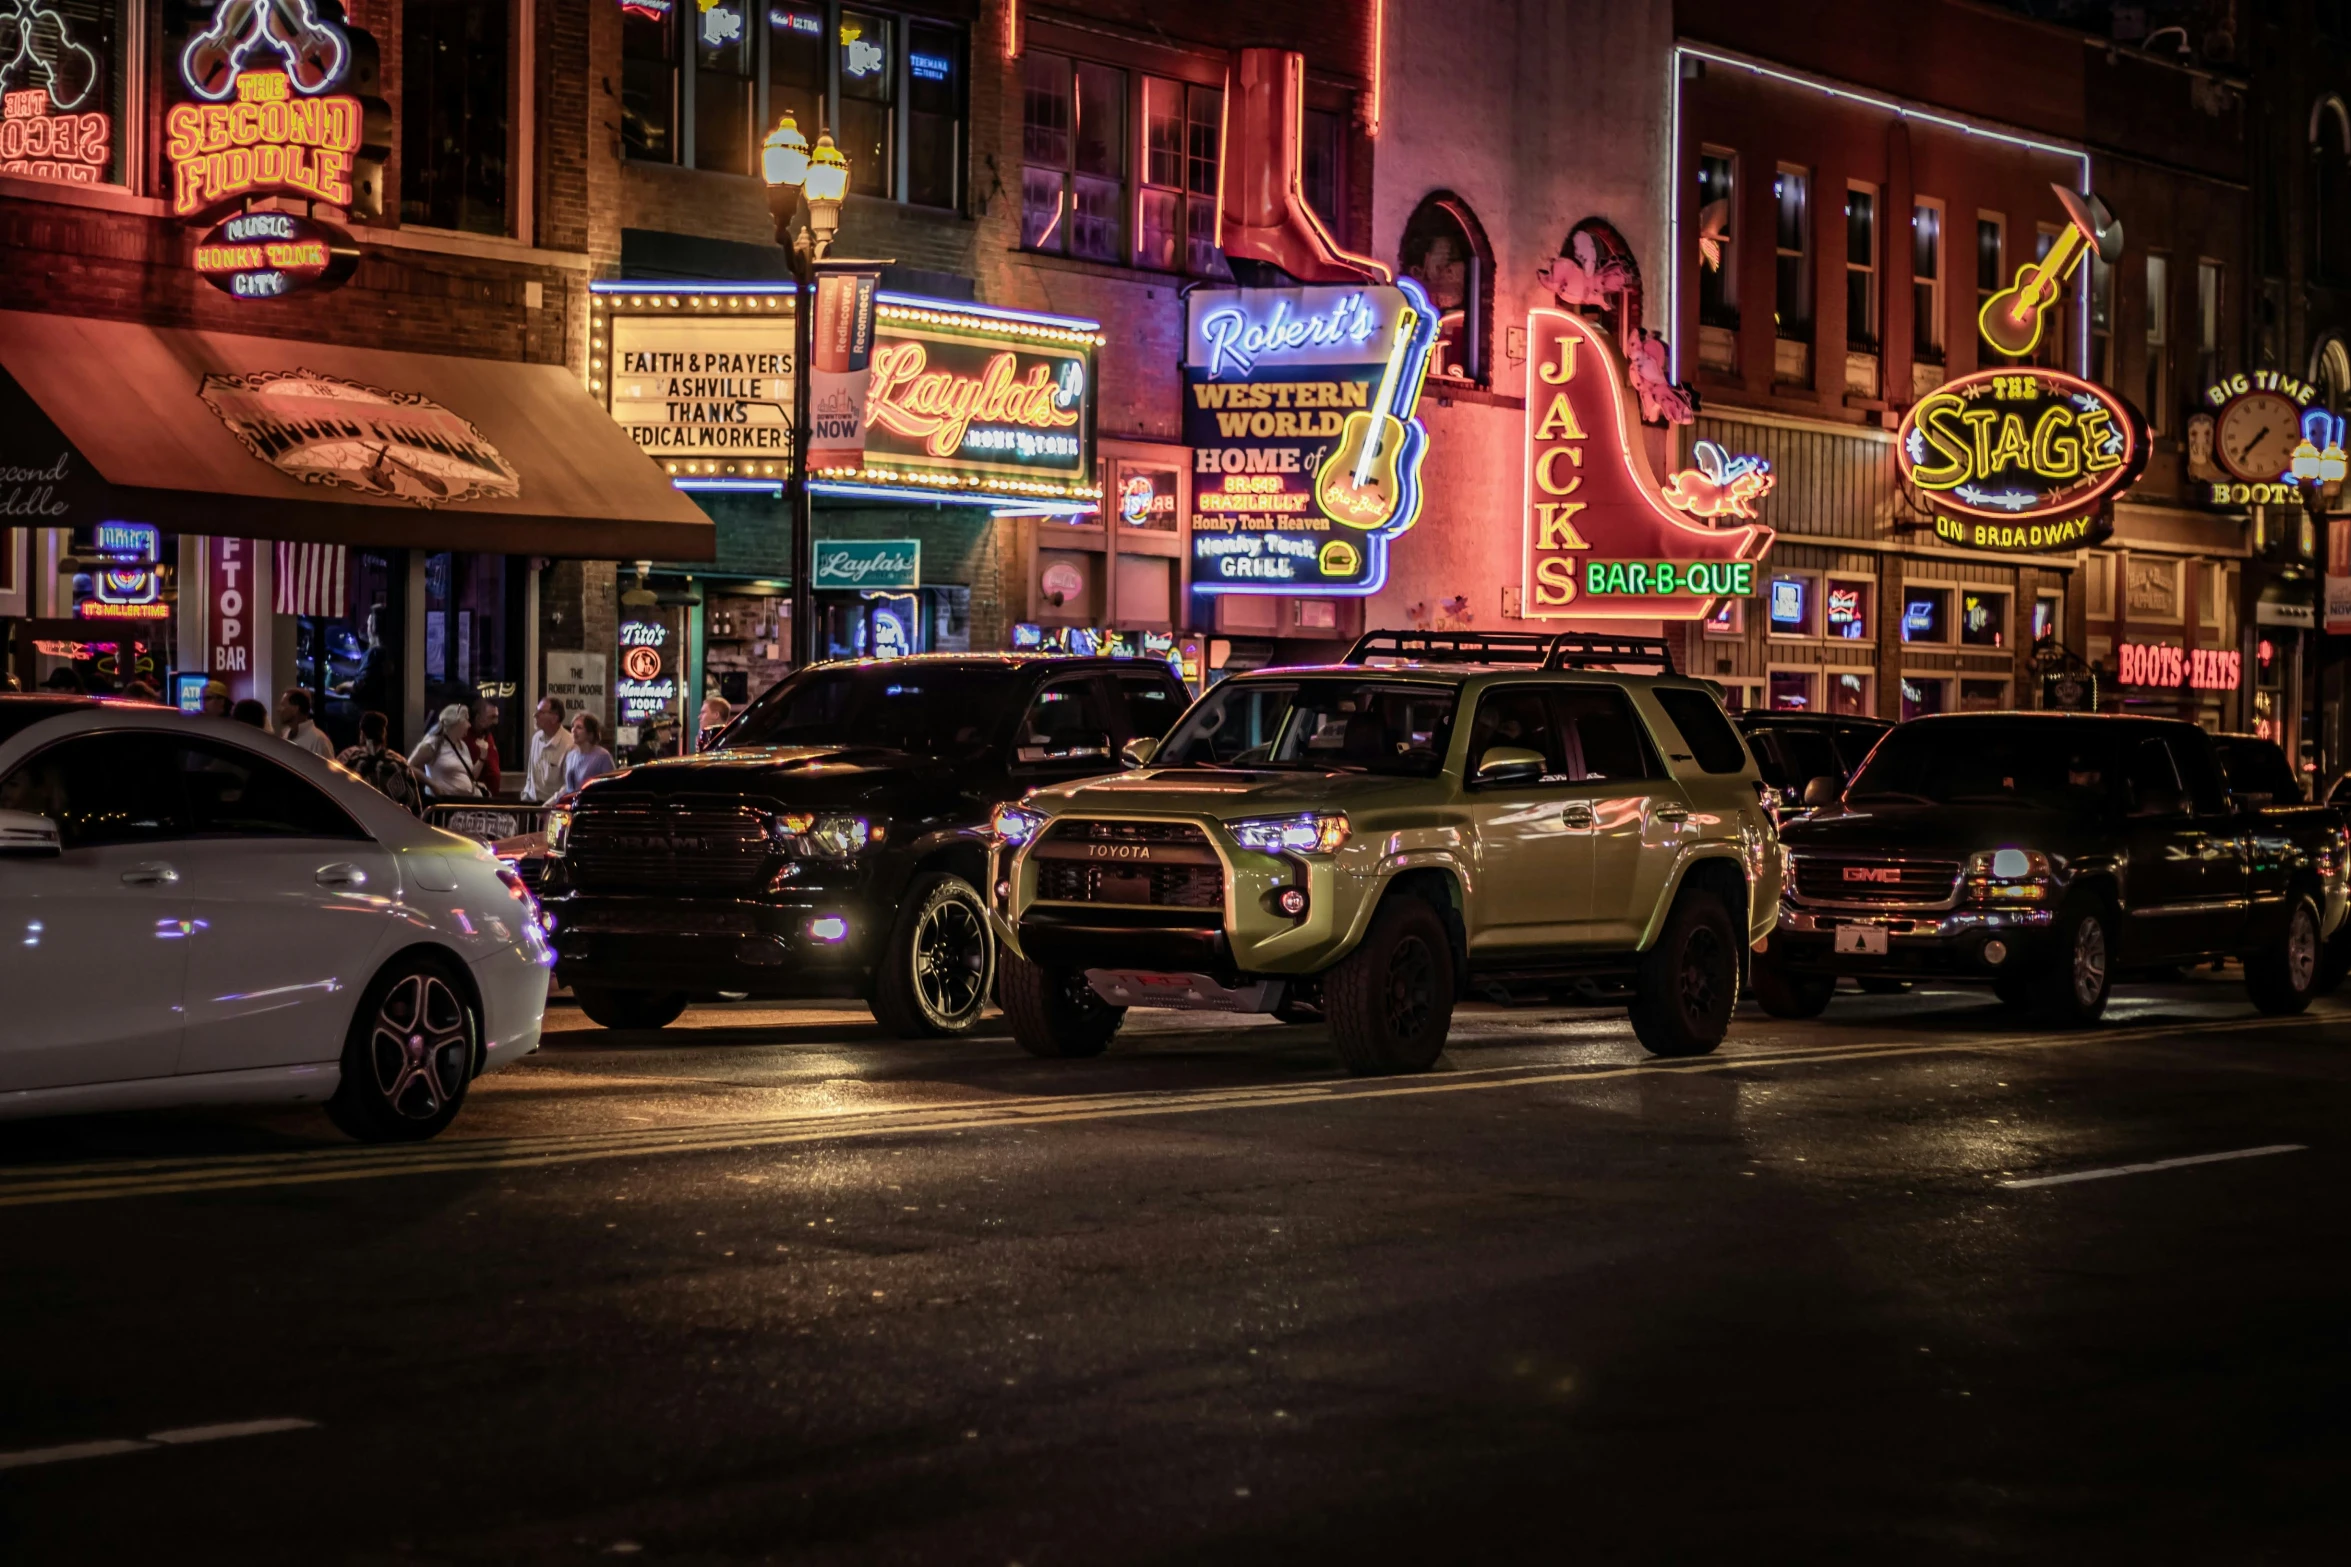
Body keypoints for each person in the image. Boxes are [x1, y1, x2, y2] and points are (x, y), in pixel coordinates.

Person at [338, 711, 422, 814]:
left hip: (358, 823)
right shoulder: (400, 763)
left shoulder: (347, 758)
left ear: (362, 733)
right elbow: (414, 804)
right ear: (383, 733)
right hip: (393, 823)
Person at [408, 702, 483, 799]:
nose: (469, 725)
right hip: (445, 804)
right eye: (466, 720)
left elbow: (469, 775)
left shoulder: (463, 745)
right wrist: (432, 785)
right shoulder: (434, 743)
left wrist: (482, 757)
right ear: (456, 722)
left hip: (468, 801)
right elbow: (409, 766)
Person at [523, 697, 572, 802]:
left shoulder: (569, 745)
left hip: (553, 809)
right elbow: (530, 775)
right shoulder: (536, 738)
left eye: (541, 712)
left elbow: (568, 785)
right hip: (531, 805)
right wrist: (525, 795)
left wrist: (550, 804)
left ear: (554, 718)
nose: (535, 715)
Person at [563, 711, 617, 792]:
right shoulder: (570, 756)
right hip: (573, 802)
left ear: (590, 733)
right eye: (573, 726)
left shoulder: (602, 756)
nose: (574, 730)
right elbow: (568, 787)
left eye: (579, 727)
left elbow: (611, 786)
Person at [277, 688, 335, 758]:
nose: (278, 709)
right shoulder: (286, 734)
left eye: (283, 705)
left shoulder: (319, 741)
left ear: (295, 709)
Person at [467, 697, 503, 795]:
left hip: (492, 796)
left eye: (496, 717)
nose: (496, 722)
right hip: (475, 796)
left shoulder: (488, 735)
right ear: (478, 718)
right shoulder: (465, 737)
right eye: (492, 717)